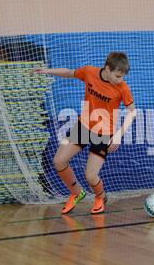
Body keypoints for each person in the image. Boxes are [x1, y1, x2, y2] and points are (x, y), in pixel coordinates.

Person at [34, 52, 137, 214]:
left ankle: (100, 196)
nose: (120, 80)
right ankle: (76, 193)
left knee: (90, 176)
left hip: (103, 133)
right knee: (59, 161)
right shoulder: (89, 72)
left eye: (122, 77)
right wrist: (48, 71)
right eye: (117, 76)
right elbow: (69, 73)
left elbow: (132, 112)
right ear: (107, 69)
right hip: (83, 127)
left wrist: (118, 134)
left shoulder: (123, 87)